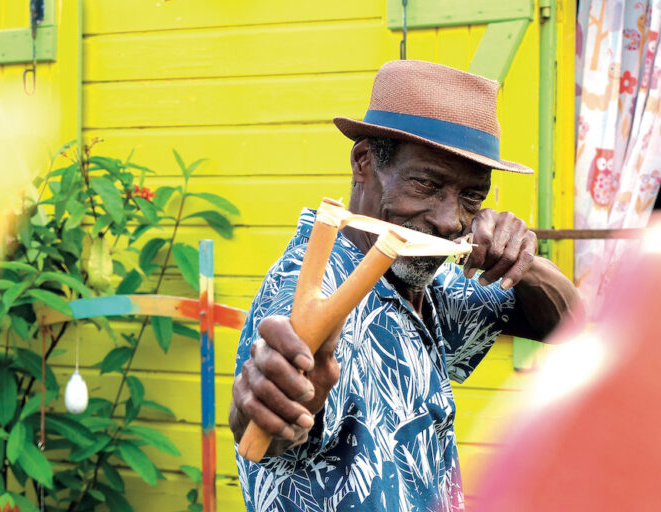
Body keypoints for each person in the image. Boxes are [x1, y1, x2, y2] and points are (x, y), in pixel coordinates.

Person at [228, 60, 580, 512]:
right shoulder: (311, 289)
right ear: (363, 162)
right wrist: (270, 404)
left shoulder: (424, 281)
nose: (450, 220)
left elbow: (575, 324)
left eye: (472, 196)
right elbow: (272, 423)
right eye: (426, 183)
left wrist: (522, 262)